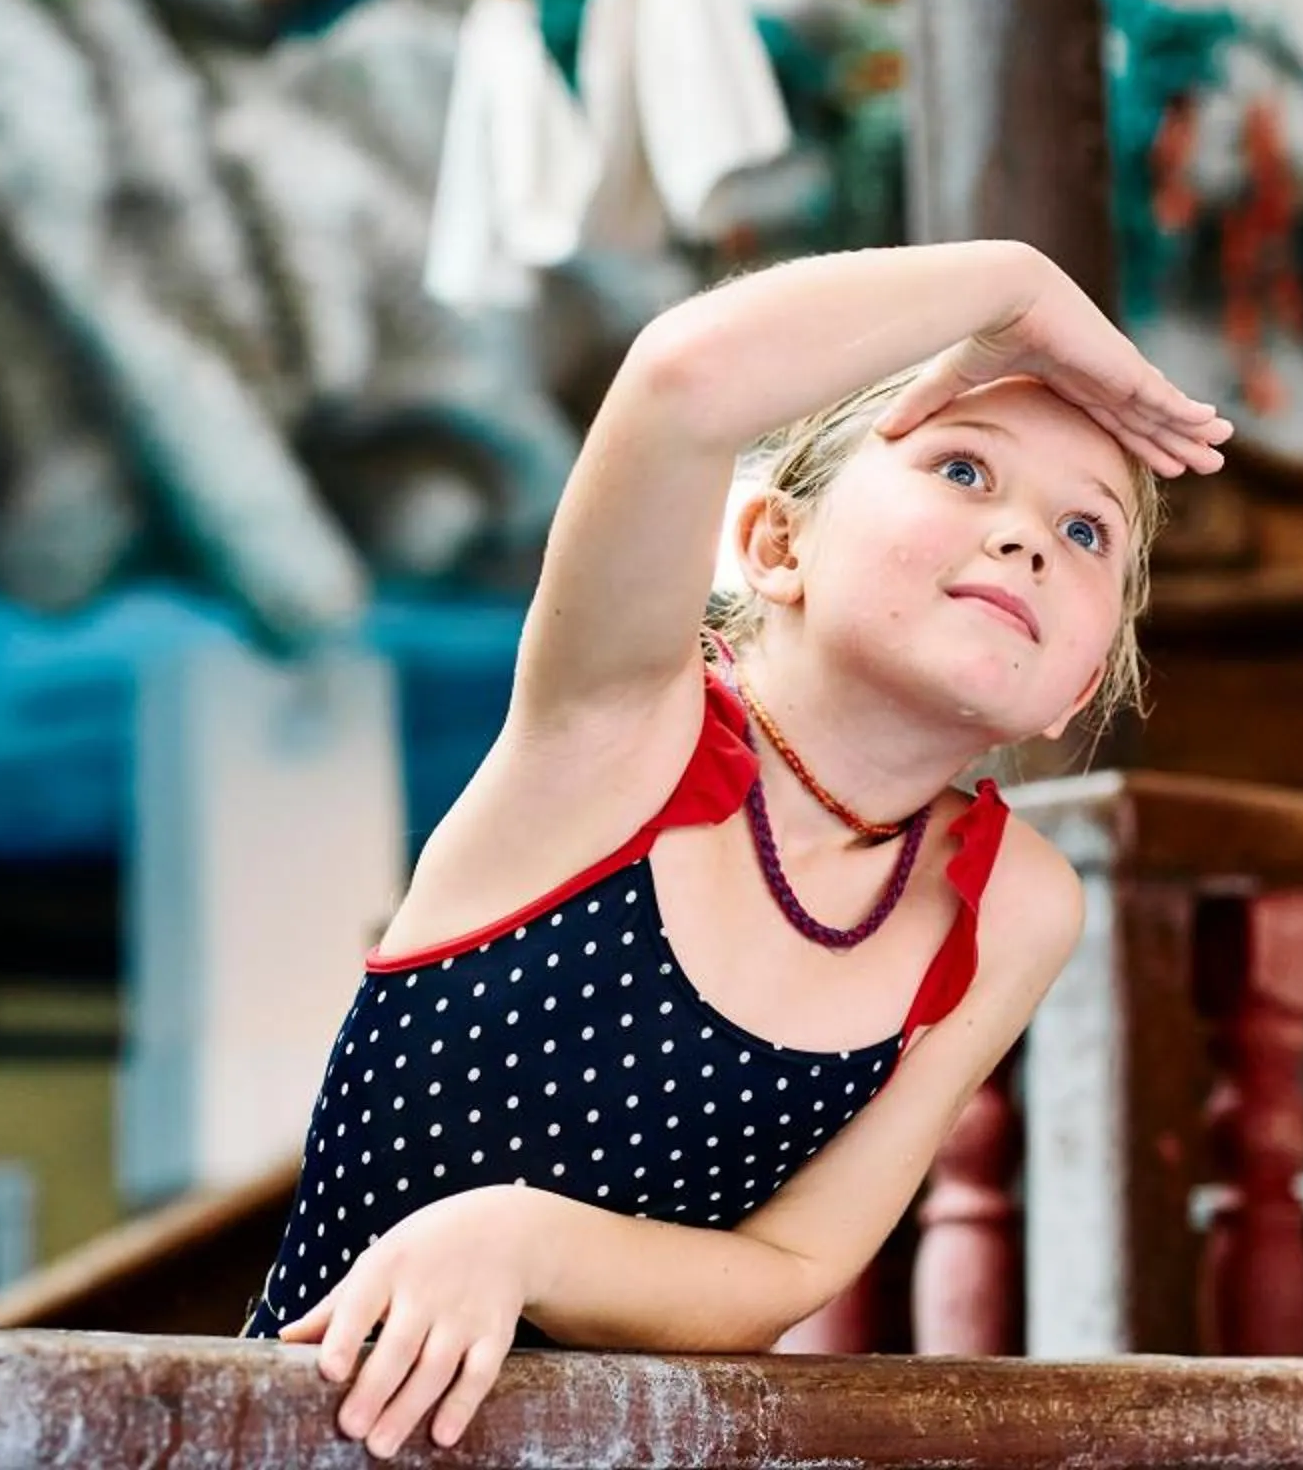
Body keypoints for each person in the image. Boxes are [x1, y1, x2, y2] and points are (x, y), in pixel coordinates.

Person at [242, 240, 1233, 1458]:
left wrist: (519, 1240)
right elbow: (682, 380)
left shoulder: (1015, 905)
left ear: (1073, 691)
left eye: (1087, 531)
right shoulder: (619, 726)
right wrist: (1017, 284)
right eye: (963, 467)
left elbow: (791, 1262)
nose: (1029, 538)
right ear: (773, 544)